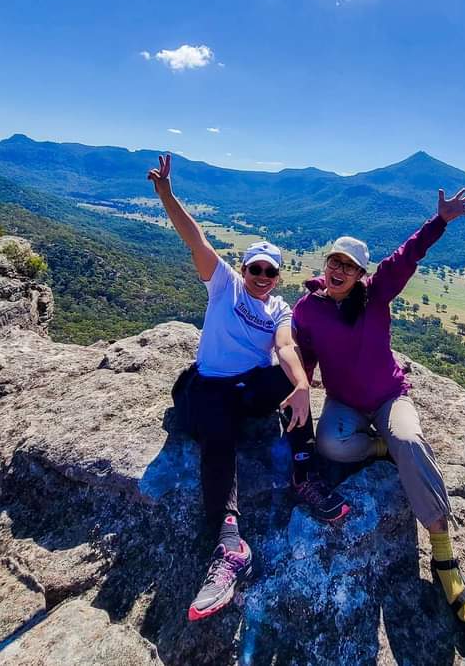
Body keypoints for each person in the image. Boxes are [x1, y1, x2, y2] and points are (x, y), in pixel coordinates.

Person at [148, 154, 349, 622]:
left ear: (278, 276)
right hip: (210, 389)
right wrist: (166, 195)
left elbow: (284, 346)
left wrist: (300, 384)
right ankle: (229, 543)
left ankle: (303, 476)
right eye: (255, 269)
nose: (261, 278)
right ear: (244, 268)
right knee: (218, 437)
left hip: (247, 390)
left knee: (291, 380)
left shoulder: (279, 309)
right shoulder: (225, 285)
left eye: (269, 272)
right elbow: (193, 237)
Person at [292, 187, 465, 626]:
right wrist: (300, 387)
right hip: (345, 403)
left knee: (409, 437)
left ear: (361, 273)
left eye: (349, 266)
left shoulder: (376, 294)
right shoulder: (308, 309)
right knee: (330, 446)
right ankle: (383, 450)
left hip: (388, 398)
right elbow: (302, 352)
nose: (339, 270)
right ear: (324, 266)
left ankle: (444, 558)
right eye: (334, 262)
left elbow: (405, 256)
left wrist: (438, 222)